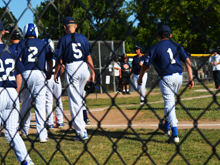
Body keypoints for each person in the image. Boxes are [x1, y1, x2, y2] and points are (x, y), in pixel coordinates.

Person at [137, 25, 194, 143]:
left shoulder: (154, 48)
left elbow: (146, 65)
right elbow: (187, 60)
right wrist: (190, 77)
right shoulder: (176, 45)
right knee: (169, 101)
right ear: (171, 35)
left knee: (169, 103)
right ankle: (166, 127)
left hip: (166, 77)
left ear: (158, 36)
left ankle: (175, 134)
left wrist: (140, 78)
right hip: (179, 76)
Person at [54, 16, 95, 141]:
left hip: (72, 67)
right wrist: (92, 72)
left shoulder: (63, 39)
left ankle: (81, 132)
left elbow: (60, 60)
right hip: (84, 67)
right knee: (80, 98)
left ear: (64, 27)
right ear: (76, 26)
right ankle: (82, 127)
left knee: (74, 101)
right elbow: (88, 57)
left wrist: (56, 73)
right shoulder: (83, 38)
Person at [0, 21, 35, 165]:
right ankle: (26, 161)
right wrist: (16, 92)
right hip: (12, 92)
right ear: (3, 32)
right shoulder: (10, 50)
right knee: (12, 132)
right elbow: (19, 74)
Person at [16, 23, 53, 143]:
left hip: (26, 73)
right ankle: (42, 135)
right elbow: (50, 59)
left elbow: (19, 60)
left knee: (26, 103)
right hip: (40, 73)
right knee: (40, 104)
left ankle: (24, 130)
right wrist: (49, 72)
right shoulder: (43, 42)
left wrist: (23, 72)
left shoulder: (22, 43)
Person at [43, 38, 65, 130]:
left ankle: (50, 123)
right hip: (56, 78)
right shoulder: (56, 54)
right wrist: (60, 76)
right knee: (58, 100)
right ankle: (60, 122)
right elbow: (62, 66)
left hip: (47, 77)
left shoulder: (43, 55)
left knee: (48, 101)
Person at [6, 26, 23, 93]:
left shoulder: (9, 48)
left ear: (14, 36)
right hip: (25, 75)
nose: (8, 37)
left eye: (9, 35)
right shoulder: (24, 45)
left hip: (13, 78)